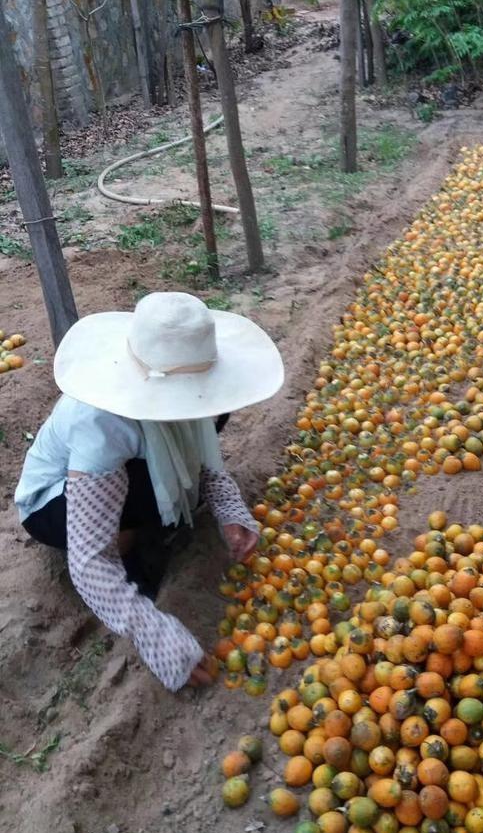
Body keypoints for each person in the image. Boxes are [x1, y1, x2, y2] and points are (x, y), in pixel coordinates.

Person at [15, 292, 284, 693]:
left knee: (200, 430)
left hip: (126, 472)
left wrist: (229, 508)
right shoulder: (102, 423)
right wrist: (155, 635)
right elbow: (89, 561)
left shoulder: (199, 407)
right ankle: (135, 547)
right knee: (138, 491)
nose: (197, 408)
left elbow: (203, 456)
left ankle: (151, 524)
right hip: (52, 502)